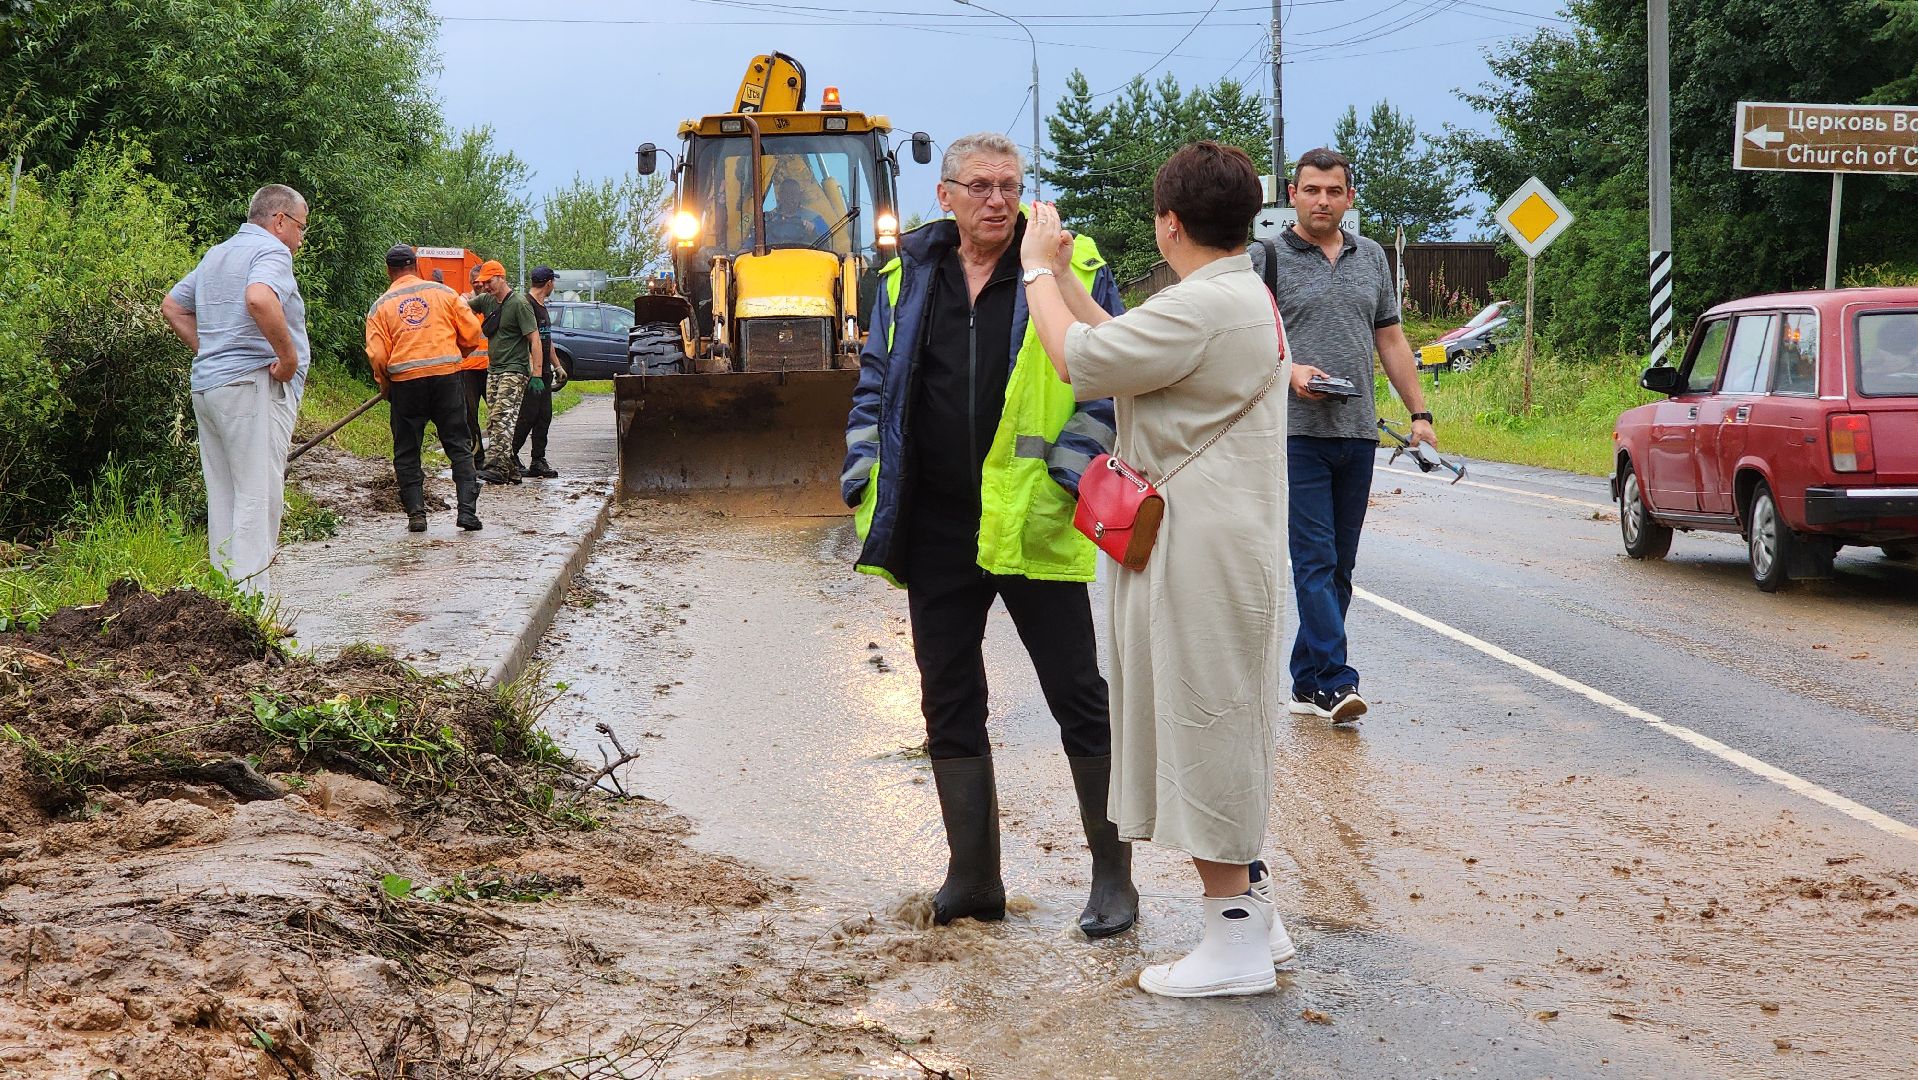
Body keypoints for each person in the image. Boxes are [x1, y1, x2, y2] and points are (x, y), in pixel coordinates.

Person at [1023, 142, 1314, 998]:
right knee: (1210, 714)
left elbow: (1079, 361)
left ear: (1169, 224)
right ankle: (1254, 919)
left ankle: (1232, 945)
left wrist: (1040, 272)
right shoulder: (1226, 294)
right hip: (1211, 543)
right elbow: (1123, 345)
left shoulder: (1207, 304)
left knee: (1205, 721)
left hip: (1201, 551)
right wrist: (1073, 276)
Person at [841, 132, 1137, 939]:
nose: (997, 200)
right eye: (980, 186)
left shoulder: (1070, 270)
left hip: (1033, 518)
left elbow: (1107, 388)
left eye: (1009, 186)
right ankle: (973, 876)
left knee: (1077, 695)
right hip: (936, 526)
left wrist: (1068, 474)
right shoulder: (903, 275)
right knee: (948, 698)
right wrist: (863, 470)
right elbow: (874, 378)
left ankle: (1113, 878)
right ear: (947, 195)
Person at [1249, 147, 1437, 724]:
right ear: (1293, 197)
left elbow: (1391, 340)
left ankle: (1306, 680)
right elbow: (1249, 339)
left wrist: (1420, 415)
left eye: (1334, 191)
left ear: (1349, 198)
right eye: (1311, 190)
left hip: (1356, 433)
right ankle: (1336, 681)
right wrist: (1292, 374)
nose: (1322, 201)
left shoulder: (1372, 257)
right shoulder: (1268, 258)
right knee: (1313, 558)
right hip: (1294, 432)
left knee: (1341, 566)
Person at [160, 183, 310, 597]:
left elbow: (172, 305)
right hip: (249, 386)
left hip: (209, 387)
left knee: (224, 495)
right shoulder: (270, 251)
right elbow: (260, 299)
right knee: (257, 495)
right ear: (279, 220)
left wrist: (212, 349)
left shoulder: (219, 252)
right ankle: (252, 605)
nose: (300, 240)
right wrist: (289, 357)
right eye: (301, 227)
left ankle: (226, 600)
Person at [364, 244, 486, 532]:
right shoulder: (444, 294)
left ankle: (417, 516)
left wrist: (385, 383)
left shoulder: (381, 306)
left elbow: (378, 355)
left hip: (406, 384)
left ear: (388, 271)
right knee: (458, 443)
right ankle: (467, 513)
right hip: (447, 379)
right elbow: (471, 334)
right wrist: (456, 356)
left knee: (407, 450)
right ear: (416, 266)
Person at [470, 260, 543, 485]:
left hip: (515, 370)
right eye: (483, 283)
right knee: (494, 420)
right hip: (494, 370)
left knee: (502, 417)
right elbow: (462, 307)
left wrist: (538, 374)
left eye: (490, 282)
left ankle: (497, 468)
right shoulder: (486, 300)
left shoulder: (519, 304)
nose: (486, 287)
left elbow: (535, 339)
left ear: (501, 278)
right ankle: (511, 469)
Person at [511, 266, 565, 478]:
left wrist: (558, 366)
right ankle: (509, 456)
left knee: (544, 416)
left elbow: (546, 340)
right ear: (549, 282)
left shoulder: (542, 306)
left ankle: (538, 460)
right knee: (527, 416)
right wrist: (535, 373)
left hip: (544, 372)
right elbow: (529, 342)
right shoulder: (527, 305)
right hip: (532, 373)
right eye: (554, 282)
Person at [458, 262, 491, 473]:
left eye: (483, 282)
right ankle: (477, 457)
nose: (480, 286)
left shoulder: (494, 303)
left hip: (490, 367)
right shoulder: (464, 303)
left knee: (499, 414)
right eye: (476, 283)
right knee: (470, 415)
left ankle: (505, 456)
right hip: (468, 368)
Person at [762, 177, 830, 247]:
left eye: (794, 193)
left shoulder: (815, 219)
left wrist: (813, 230)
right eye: (787, 193)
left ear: (799, 196)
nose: (791, 197)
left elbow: (827, 243)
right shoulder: (766, 221)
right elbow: (752, 245)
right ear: (779, 196)